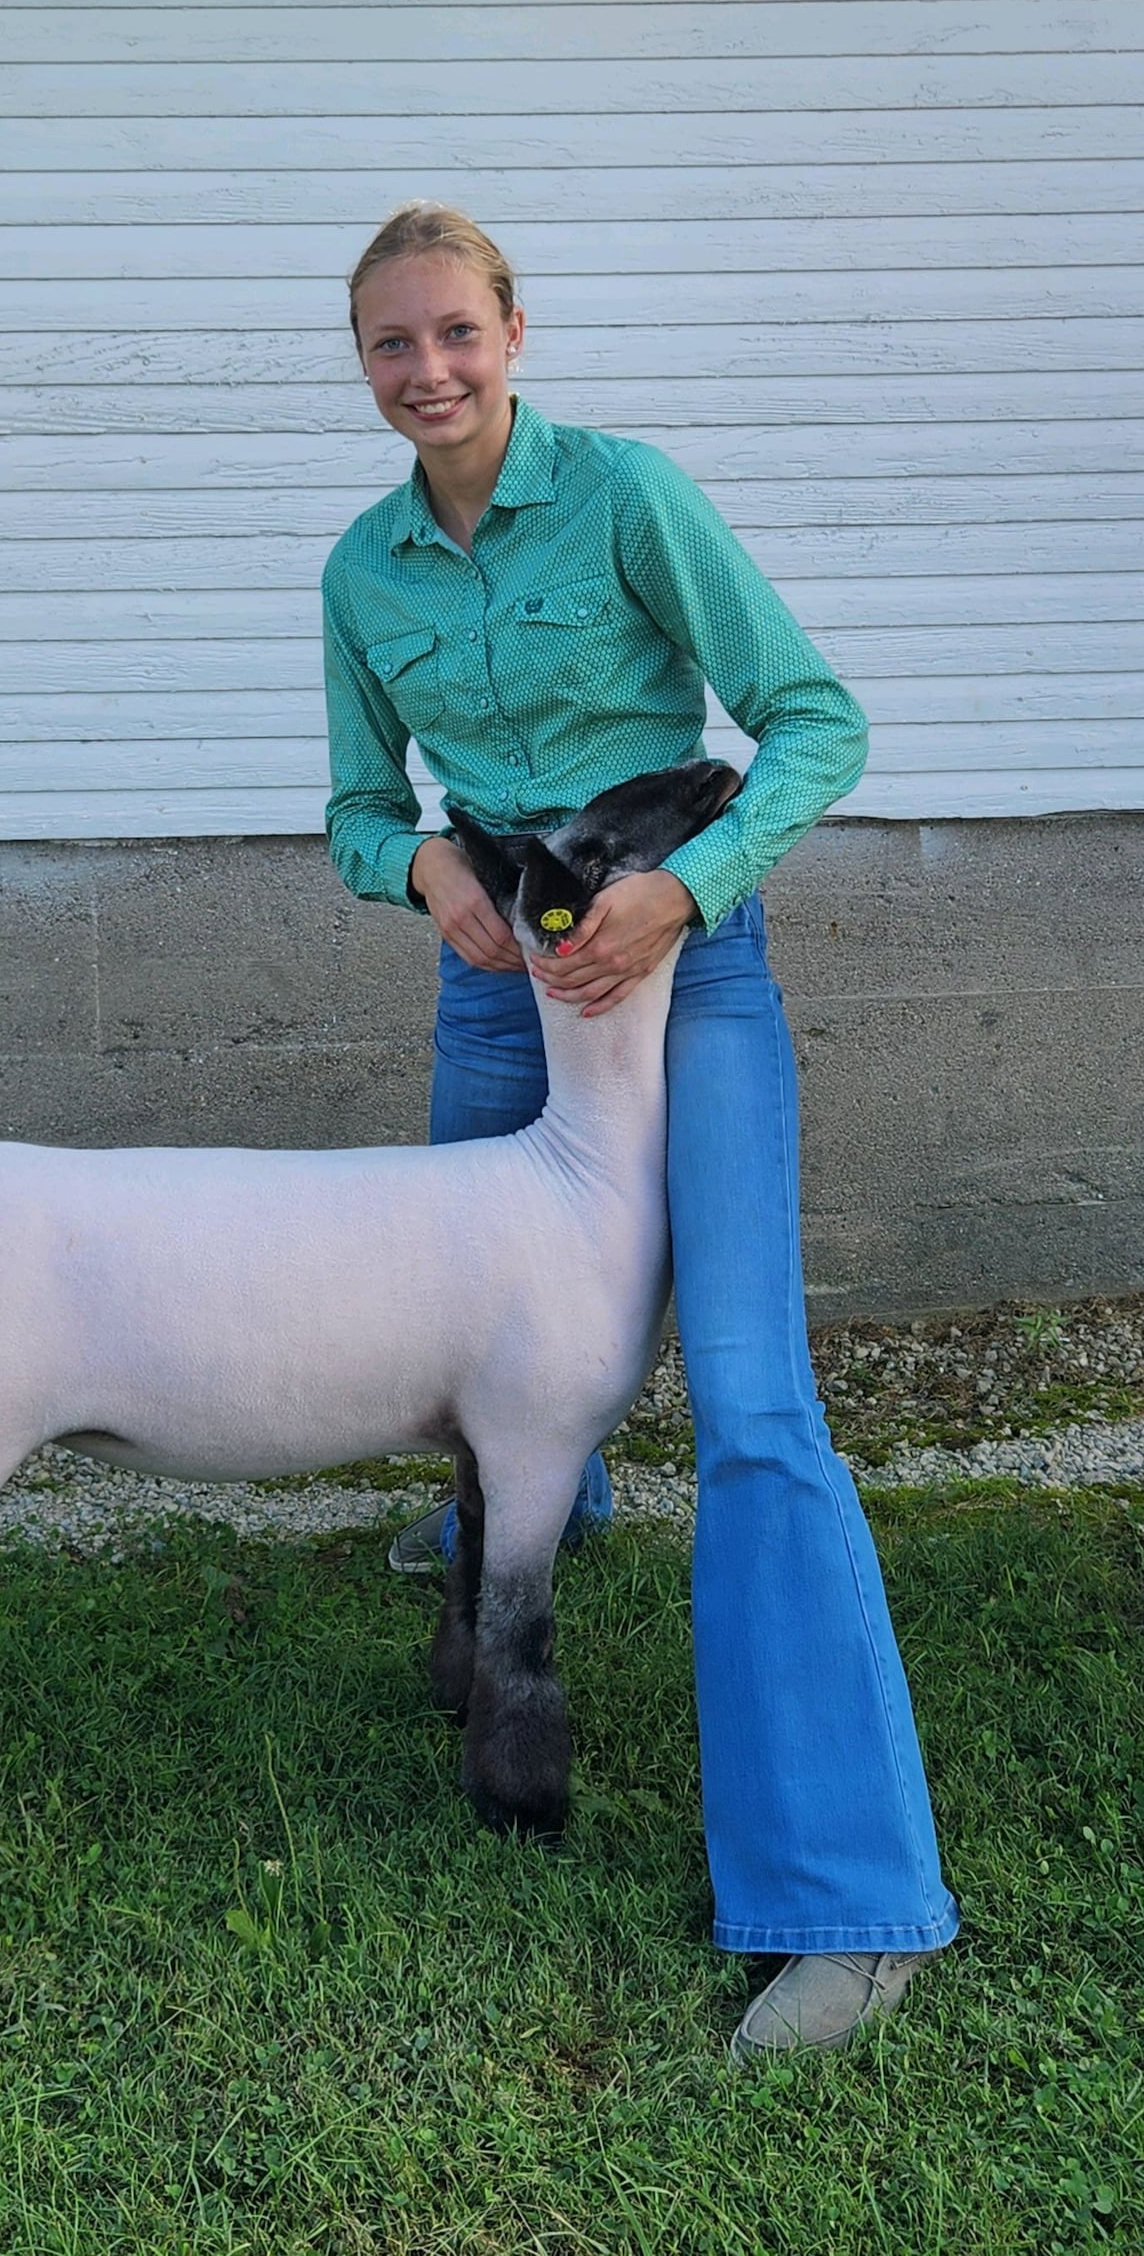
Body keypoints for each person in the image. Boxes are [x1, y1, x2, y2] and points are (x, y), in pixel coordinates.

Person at [321, 203, 958, 2062]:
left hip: (689, 974)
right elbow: (358, 807)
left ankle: (846, 1900)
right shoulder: (363, 573)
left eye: (455, 331)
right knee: (475, 1349)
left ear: (516, 329)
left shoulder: (628, 496)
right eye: (388, 346)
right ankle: (557, 1491)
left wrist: (692, 892)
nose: (427, 372)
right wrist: (424, 863)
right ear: (358, 365)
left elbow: (817, 726)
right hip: (498, 985)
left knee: (756, 1403)